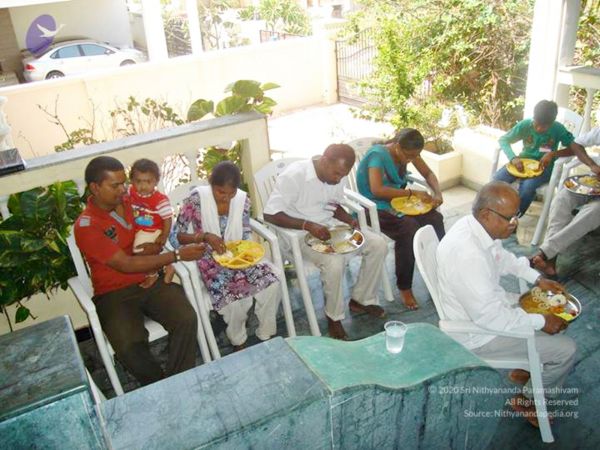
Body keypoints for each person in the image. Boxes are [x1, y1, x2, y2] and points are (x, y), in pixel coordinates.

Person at [437, 181, 576, 426]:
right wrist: (541, 322)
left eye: (517, 215)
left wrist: (538, 278)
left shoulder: (474, 227)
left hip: (491, 306)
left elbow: (503, 259)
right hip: (479, 334)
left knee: (555, 310)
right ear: (486, 214)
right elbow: (491, 319)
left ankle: (531, 372)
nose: (515, 223)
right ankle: (527, 401)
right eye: (510, 217)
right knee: (566, 349)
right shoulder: (468, 255)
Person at [74, 156, 205, 386]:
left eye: (124, 182)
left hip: (149, 278)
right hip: (114, 294)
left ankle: (179, 382)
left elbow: (156, 226)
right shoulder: (87, 225)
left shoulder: (131, 202)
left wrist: (161, 258)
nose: (124, 189)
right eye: (115, 185)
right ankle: (159, 385)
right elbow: (124, 264)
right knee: (129, 345)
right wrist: (174, 256)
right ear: (95, 188)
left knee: (185, 317)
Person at [263, 144, 388, 340]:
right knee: (334, 261)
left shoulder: (338, 174)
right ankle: (334, 317)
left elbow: (334, 204)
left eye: (343, 175)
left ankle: (361, 299)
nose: (339, 179)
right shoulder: (294, 176)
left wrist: (347, 219)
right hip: (297, 234)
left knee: (378, 244)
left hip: (329, 227)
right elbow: (270, 214)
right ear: (323, 161)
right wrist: (307, 225)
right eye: (337, 174)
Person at [170, 161, 281, 351]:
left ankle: (266, 333)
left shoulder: (242, 201)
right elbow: (175, 236)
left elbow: (245, 236)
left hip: (238, 255)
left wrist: (241, 253)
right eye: (221, 192)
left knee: (273, 280)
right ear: (211, 184)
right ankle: (238, 339)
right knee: (232, 295)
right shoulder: (197, 199)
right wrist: (203, 236)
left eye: (231, 194)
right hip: (208, 260)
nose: (226, 199)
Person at [356, 128, 445, 310]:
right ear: (397, 146)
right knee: (408, 228)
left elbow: (428, 174)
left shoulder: (410, 152)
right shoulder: (378, 156)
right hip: (374, 206)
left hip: (401, 202)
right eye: (408, 156)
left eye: (415, 156)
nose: (411, 160)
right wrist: (412, 192)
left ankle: (443, 268)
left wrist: (437, 193)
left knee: (436, 218)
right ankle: (405, 287)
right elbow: (377, 190)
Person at [531, 127, 600, 277]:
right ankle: (550, 261)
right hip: (592, 183)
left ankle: (545, 252)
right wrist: (592, 165)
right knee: (562, 198)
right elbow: (576, 144)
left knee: (594, 211)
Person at [493, 100, 579, 216]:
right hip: (521, 163)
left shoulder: (558, 129)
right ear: (534, 117)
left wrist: (553, 154)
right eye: (536, 123)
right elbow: (504, 140)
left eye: (543, 127)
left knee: (527, 187)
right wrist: (513, 158)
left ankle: (513, 218)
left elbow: (575, 148)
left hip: (544, 168)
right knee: (497, 179)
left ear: (552, 123)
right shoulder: (525, 125)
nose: (538, 128)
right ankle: (494, 211)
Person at [128, 158, 175, 286]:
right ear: (131, 181)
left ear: (156, 182)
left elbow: (167, 219)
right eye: (138, 181)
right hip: (137, 229)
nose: (143, 186)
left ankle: (152, 274)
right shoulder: (130, 192)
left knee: (140, 250)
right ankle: (166, 264)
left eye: (148, 182)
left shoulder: (160, 200)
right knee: (129, 250)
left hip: (154, 229)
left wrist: (164, 236)